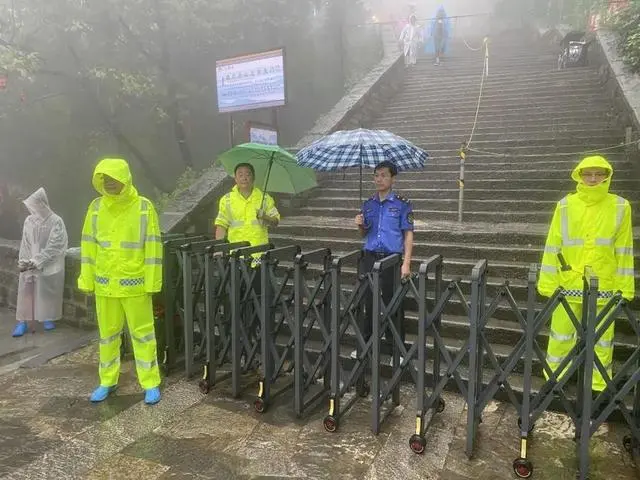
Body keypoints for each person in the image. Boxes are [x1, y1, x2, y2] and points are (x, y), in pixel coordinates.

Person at [538, 155, 634, 397]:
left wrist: (625, 286)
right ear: (579, 176)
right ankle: (555, 378)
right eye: (587, 174)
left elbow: (624, 249)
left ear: (607, 176)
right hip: (569, 281)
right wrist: (548, 282)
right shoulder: (565, 205)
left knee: (602, 339)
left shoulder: (621, 206)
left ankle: (599, 385)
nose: (593, 179)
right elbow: (553, 245)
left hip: (604, 282)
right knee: (561, 334)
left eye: (598, 174)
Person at [78, 158, 163, 405]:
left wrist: (152, 282)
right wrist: (87, 278)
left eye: (113, 178)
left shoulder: (144, 207)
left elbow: (153, 248)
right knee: (107, 336)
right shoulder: (95, 208)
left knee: (143, 335)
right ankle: (107, 380)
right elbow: (88, 246)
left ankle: (150, 383)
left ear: (125, 178)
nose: (109, 183)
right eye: (104, 179)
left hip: (135, 284)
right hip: (105, 285)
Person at [354, 161, 414, 363]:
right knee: (368, 303)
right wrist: (360, 225)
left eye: (383, 175)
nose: (378, 179)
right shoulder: (368, 204)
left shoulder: (401, 204)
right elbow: (365, 233)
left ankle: (396, 350)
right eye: (376, 175)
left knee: (393, 303)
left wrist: (406, 263)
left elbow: (408, 235)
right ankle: (366, 346)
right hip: (370, 258)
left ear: (392, 179)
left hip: (391, 260)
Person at [12, 188, 68, 337]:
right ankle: (22, 321)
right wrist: (24, 261)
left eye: (36, 204)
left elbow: (55, 246)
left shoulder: (56, 221)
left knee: (46, 290)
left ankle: (47, 317)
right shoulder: (29, 221)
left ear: (43, 204)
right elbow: (25, 243)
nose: (33, 208)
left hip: (49, 264)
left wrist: (38, 261)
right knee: (26, 290)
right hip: (31, 263)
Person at [214, 163, 280, 246]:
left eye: (248, 175)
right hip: (236, 252)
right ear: (235, 178)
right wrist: (218, 250)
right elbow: (221, 226)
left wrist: (265, 217)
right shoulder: (227, 199)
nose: (244, 178)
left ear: (253, 178)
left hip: (259, 251)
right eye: (240, 175)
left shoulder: (265, 198)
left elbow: (276, 222)